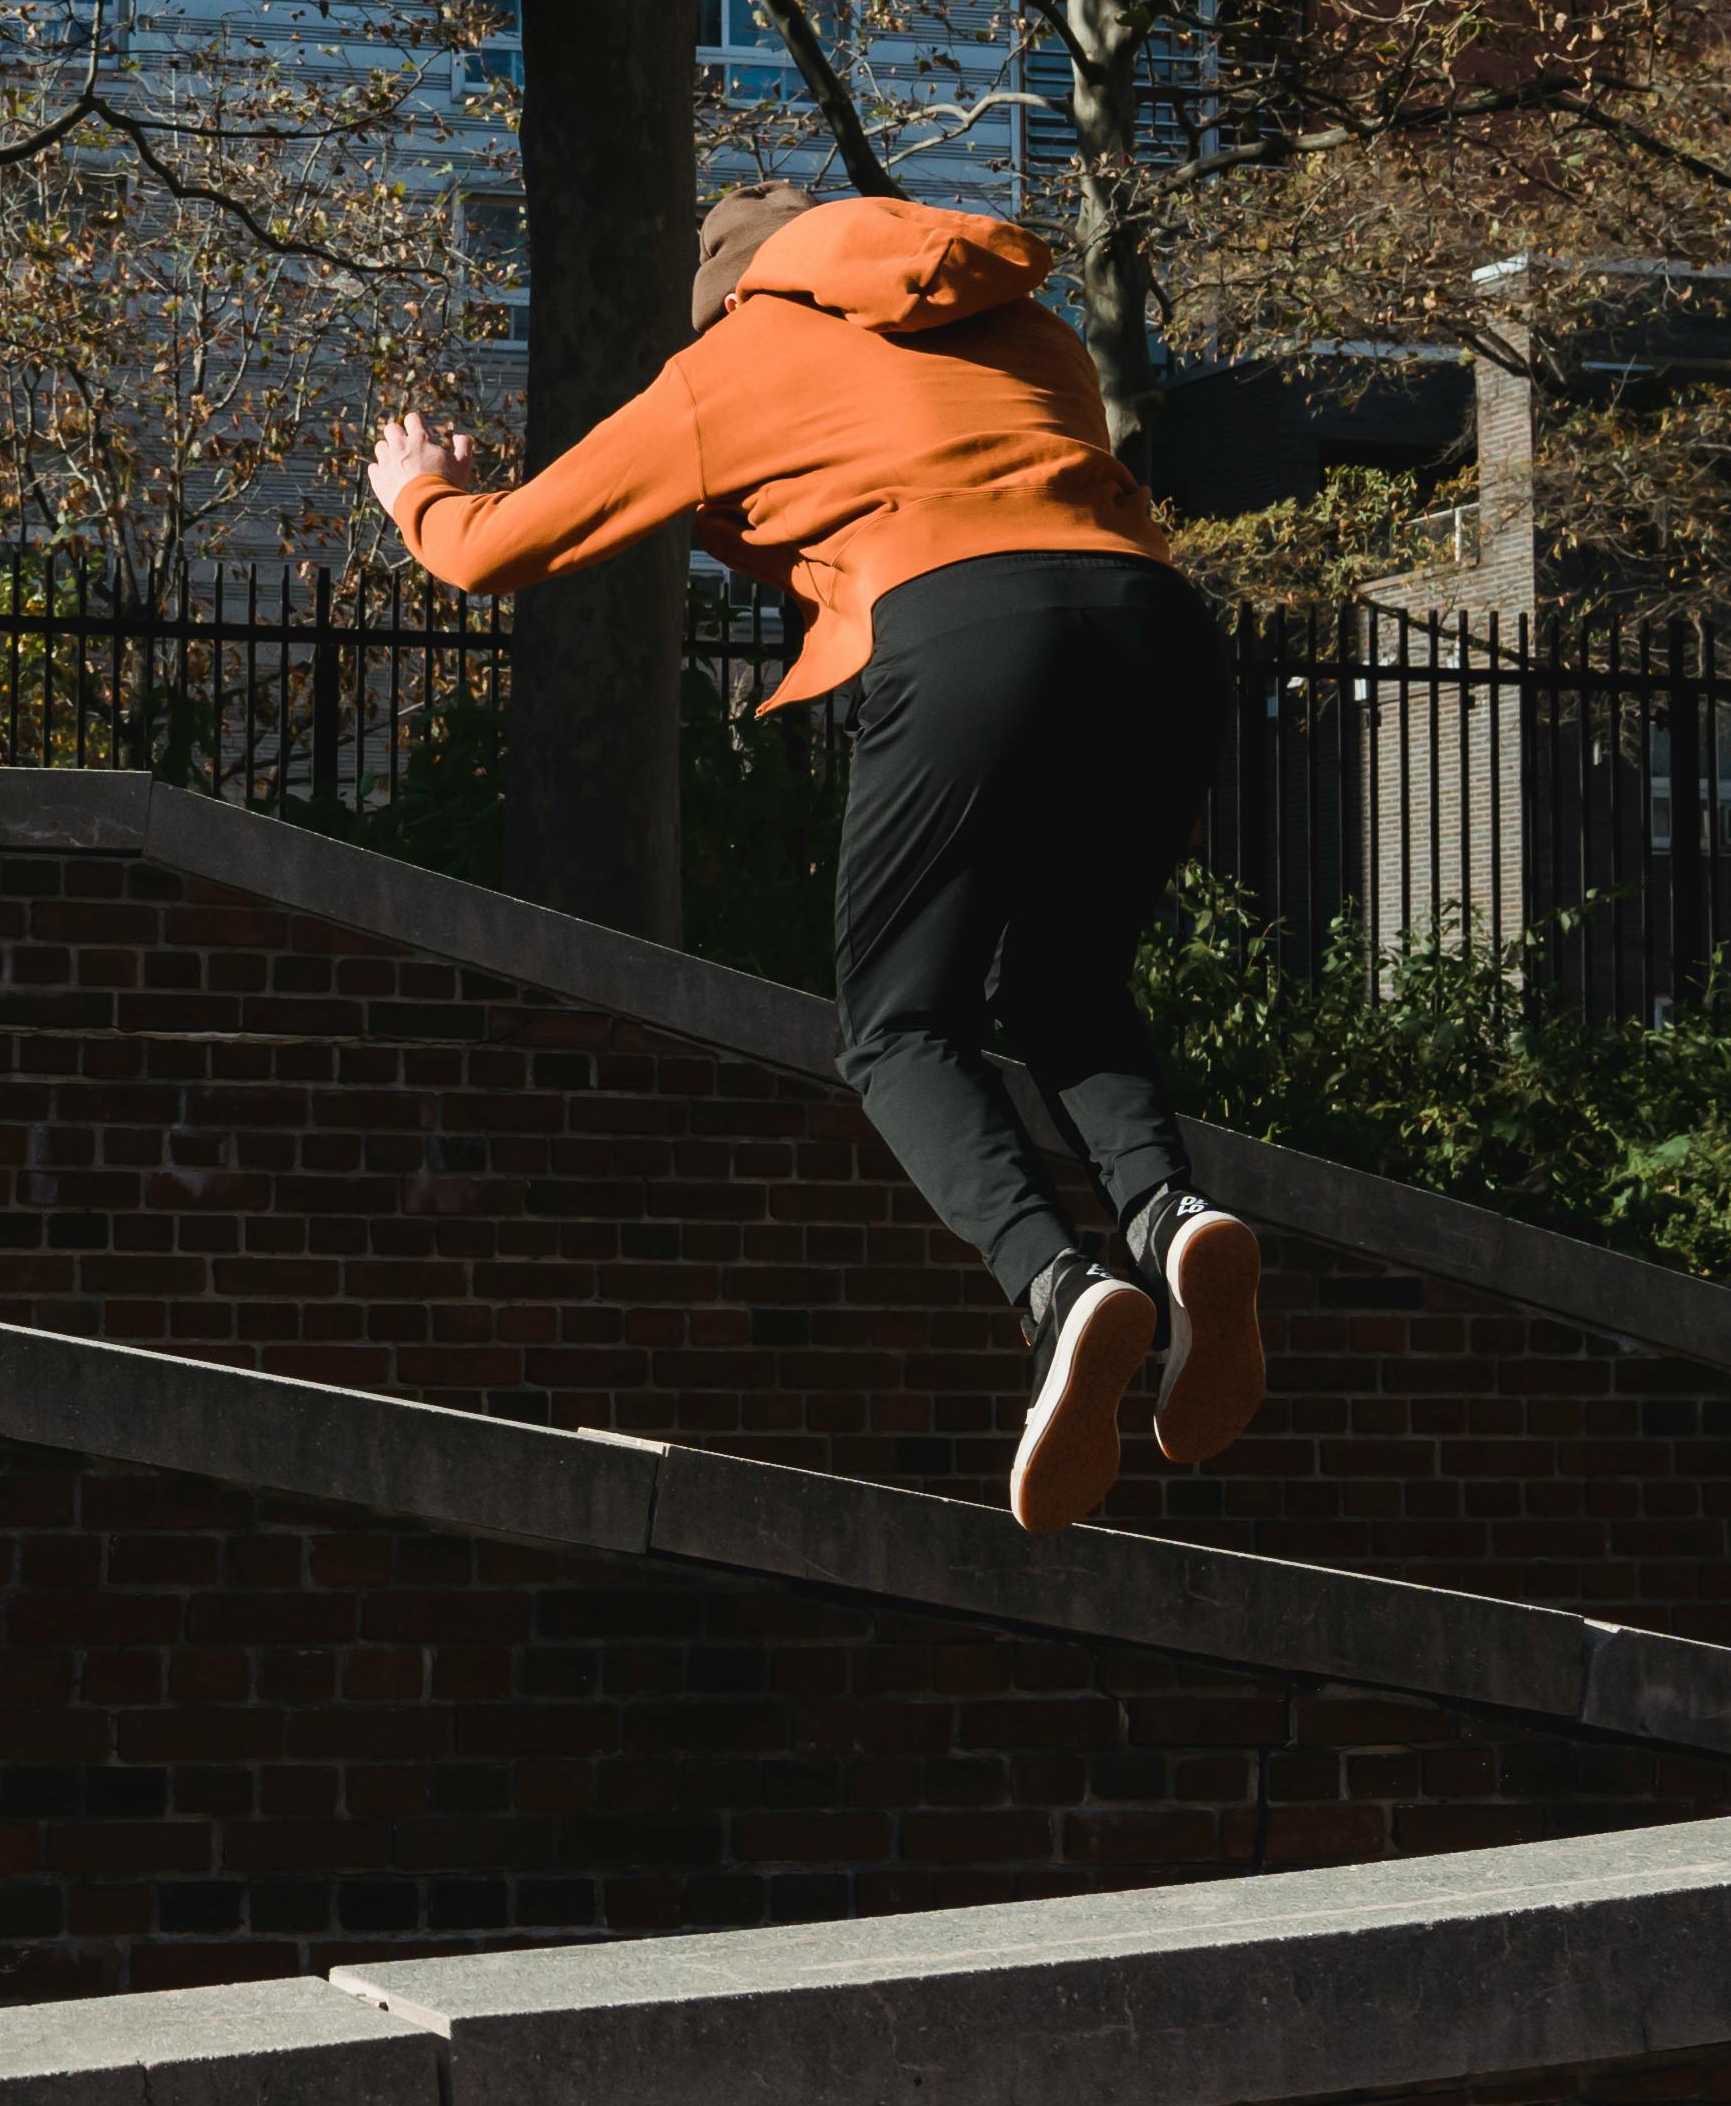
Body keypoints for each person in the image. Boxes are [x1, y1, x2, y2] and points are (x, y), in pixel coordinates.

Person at [366, 185, 1260, 1531]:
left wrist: (419, 491)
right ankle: (1173, 1217)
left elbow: (502, 549)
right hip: (1158, 633)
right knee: (1067, 981)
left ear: (732, 287)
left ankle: (1061, 1289)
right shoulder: (1029, 321)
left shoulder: (733, 360)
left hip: (967, 631)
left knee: (900, 1028)